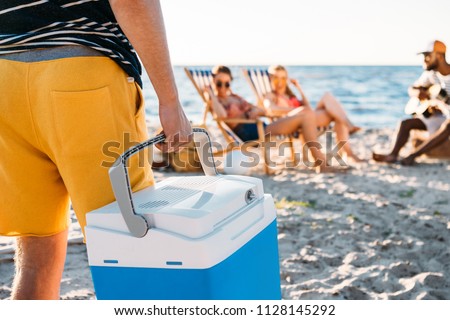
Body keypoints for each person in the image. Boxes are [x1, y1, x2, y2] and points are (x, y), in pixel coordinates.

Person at [0, 0, 192, 300]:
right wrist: (169, 99)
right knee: (130, 241)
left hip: (5, 80)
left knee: (36, 249)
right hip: (81, 75)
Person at [205, 65, 345, 172]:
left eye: (226, 84)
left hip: (263, 127)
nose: (223, 88)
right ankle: (322, 164)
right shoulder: (214, 100)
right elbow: (222, 116)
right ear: (213, 82)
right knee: (306, 113)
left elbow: (260, 110)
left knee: (306, 113)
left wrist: (254, 111)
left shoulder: (236, 97)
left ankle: (321, 162)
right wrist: (211, 94)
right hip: (252, 134)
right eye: (219, 83)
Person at [264, 65, 363, 162]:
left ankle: (349, 151)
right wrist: (296, 110)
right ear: (270, 79)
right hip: (293, 121)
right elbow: (271, 108)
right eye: (276, 78)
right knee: (334, 113)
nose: (280, 82)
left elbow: (308, 107)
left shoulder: (290, 96)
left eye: (283, 78)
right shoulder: (271, 95)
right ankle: (349, 131)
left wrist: (299, 88)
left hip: (307, 116)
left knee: (329, 99)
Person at [373, 40, 450, 164]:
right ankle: (393, 155)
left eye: (427, 56)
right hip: (439, 116)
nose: (424, 60)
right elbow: (412, 88)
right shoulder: (431, 75)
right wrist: (419, 94)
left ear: (440, 56)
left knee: (448, 125)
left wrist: (442, 103)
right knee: (405, 124)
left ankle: (412, 156)